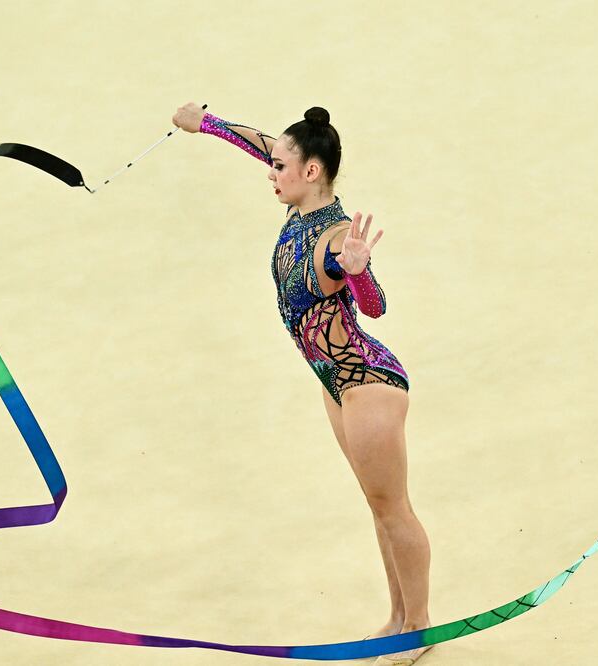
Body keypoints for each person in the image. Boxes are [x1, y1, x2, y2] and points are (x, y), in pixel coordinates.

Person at [172, 102, 430, 666]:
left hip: (366, 381)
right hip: (334, 382)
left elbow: (375, 305)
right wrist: (207, 123)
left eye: (281, 165)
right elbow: (265, 142)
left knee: (393, 509)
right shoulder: (302, 192)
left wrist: (357, 272)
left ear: (310, 172)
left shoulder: (334, 235)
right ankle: (396, 618)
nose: (271, 169)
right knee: (377, 506)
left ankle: (418, 627)